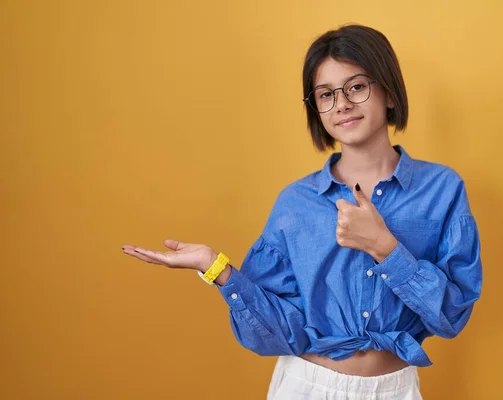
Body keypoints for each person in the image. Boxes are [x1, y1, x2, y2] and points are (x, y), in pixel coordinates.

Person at [122, 24, 482, 399]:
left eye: (356, 86)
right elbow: (277, 334)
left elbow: (451, 317)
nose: (341, 103)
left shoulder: (442, 190)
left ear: (389, 92)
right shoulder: (295, 203)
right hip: (307, 387)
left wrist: (386, 249)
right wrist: (218, 270)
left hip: (395, 389)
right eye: (325, 94)